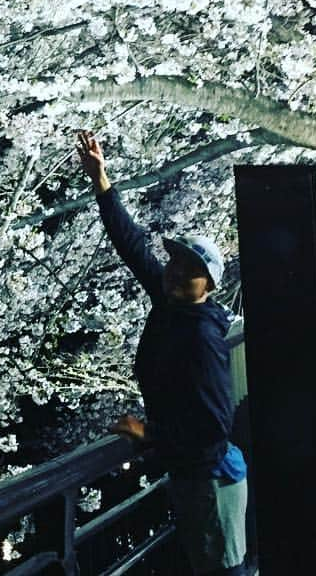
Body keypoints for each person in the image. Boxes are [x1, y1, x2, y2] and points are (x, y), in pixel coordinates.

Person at [76, 130, 247, 576]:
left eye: (191, 270)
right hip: (194, 472)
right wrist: (102, 181)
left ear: (208, 285)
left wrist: (149, 435)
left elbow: (213, 425)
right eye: (174, 262)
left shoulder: (203, 337)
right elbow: (132, 244)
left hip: (210, 478)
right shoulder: (172, 302)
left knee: (222, 570)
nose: (176, 272)